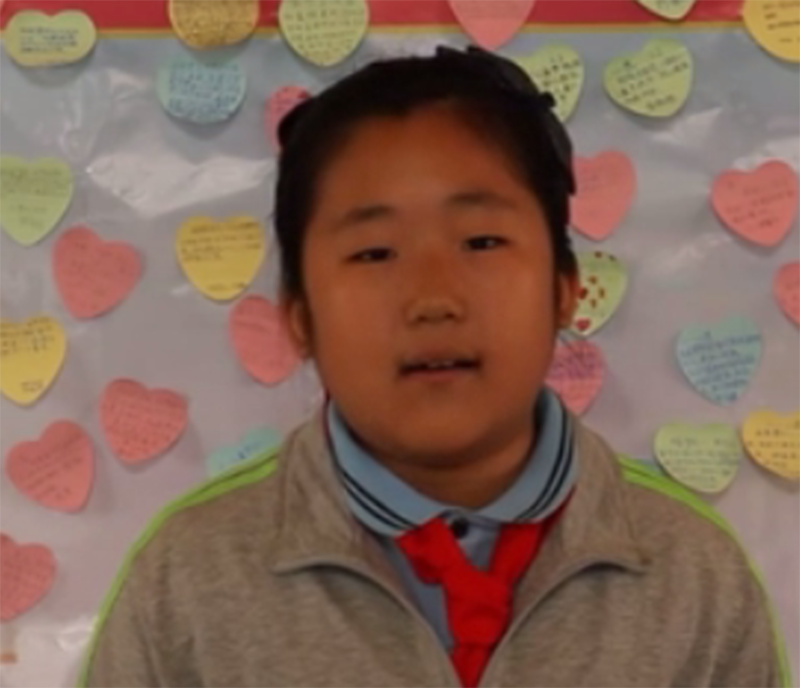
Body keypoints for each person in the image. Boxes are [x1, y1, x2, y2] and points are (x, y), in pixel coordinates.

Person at [79, 46, 790, 688]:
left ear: (564, 289)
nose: (432, 299)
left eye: (481, 241)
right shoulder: (188, 579)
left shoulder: (693, 575)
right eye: (373, 253)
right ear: (299, 317)